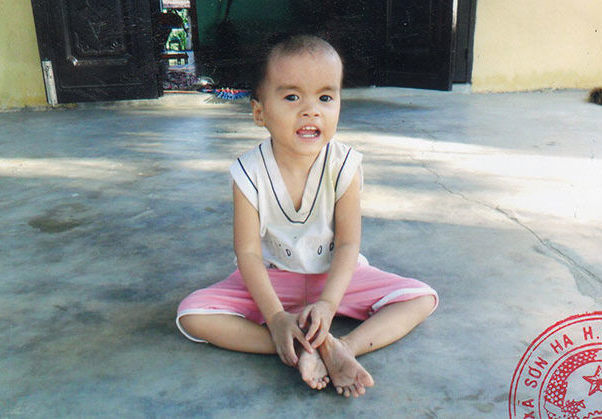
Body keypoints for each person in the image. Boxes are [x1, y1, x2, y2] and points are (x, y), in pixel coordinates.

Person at [176, 34, 438, 398]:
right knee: (192, 314)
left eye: (325, 98)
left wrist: (328, 304)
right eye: (292, 97)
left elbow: (347, 244)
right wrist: (275, 317)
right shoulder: (248, 172)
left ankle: (342, 347)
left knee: (421, 298)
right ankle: (299, 346)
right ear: (259, 112)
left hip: (335, 278)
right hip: (275, 280)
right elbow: (248, 254)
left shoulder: (344, 165)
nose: (311, 110)